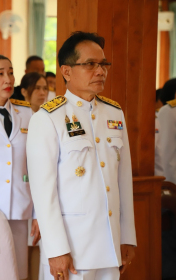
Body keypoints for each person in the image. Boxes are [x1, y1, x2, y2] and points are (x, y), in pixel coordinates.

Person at [27, 31, 136, 280]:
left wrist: (127, 237)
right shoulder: (47, 118)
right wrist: (56, 249)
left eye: (103, 64)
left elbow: (123, 181)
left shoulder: (113, 113)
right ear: (66, 71)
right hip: (72, 249)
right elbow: (44, 193)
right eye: (90, 64)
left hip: (109, 245)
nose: (100, 71)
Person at [0, 54, 40, 280]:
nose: (8, 79)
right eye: (0, 73)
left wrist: (38, 212)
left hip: (21, 209)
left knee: (19, 272)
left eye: (10, 72)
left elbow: (35, 166)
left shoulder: (27, 113)